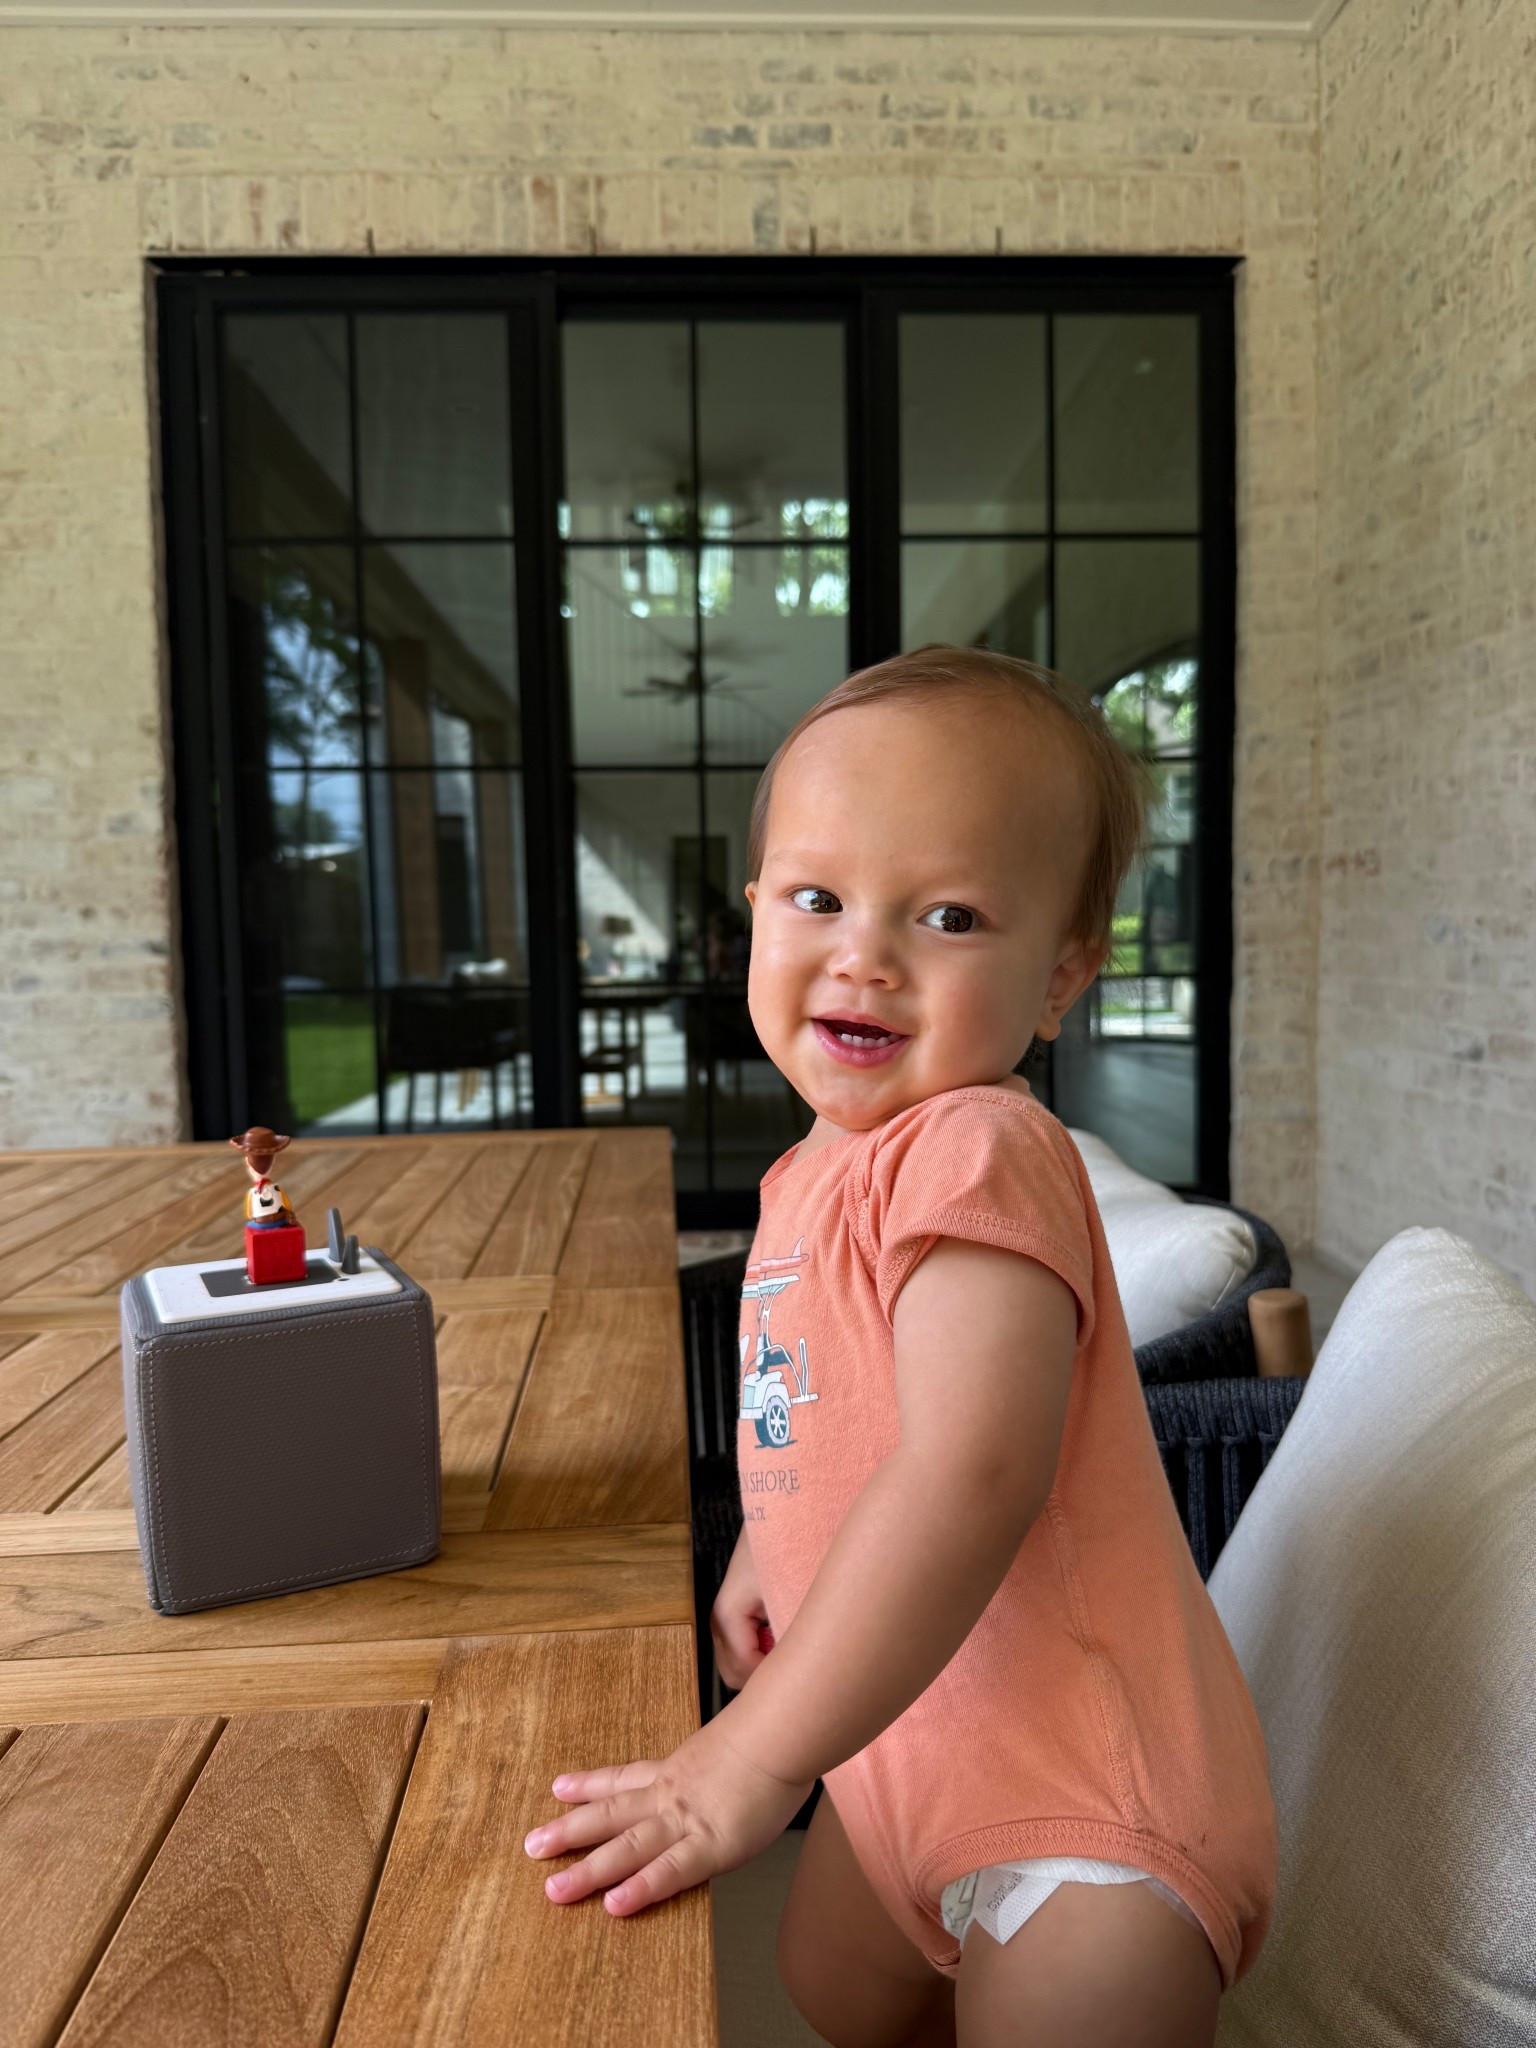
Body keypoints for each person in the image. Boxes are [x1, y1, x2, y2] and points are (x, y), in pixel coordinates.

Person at [524, 648, 1276, 2047]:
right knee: (831, 1988)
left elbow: (968, 1471)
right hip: (906, 1751)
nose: (864, 952)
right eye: (818, 897)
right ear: (752, 916)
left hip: (1080, 1817)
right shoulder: (819, 1169)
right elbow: (833, 1407)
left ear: (1059, 975)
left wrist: (738, 1763)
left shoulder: (976, 1149)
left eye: (948, 914)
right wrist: (775, 1545)